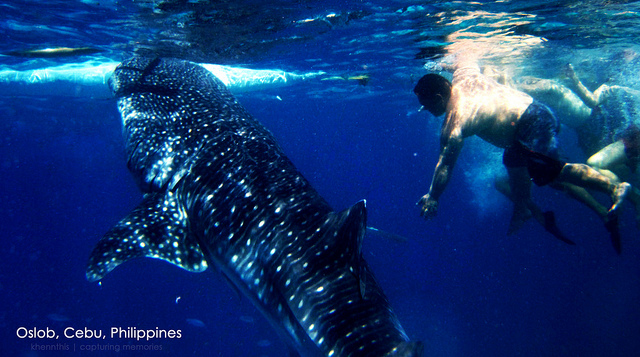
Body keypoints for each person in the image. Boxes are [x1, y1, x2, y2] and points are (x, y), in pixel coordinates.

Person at [413, 62, 631, 248]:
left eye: (426, 105)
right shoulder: (462, 76)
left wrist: (433, 197)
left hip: (534, 121)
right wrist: (443, 65)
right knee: (514, 165)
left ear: (439, 97)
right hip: (522, 126)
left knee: (551, 172)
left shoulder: (454, 124)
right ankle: (523, 209)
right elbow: (463, 61)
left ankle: (613, 187)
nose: (425, 110)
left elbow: (445, 166)